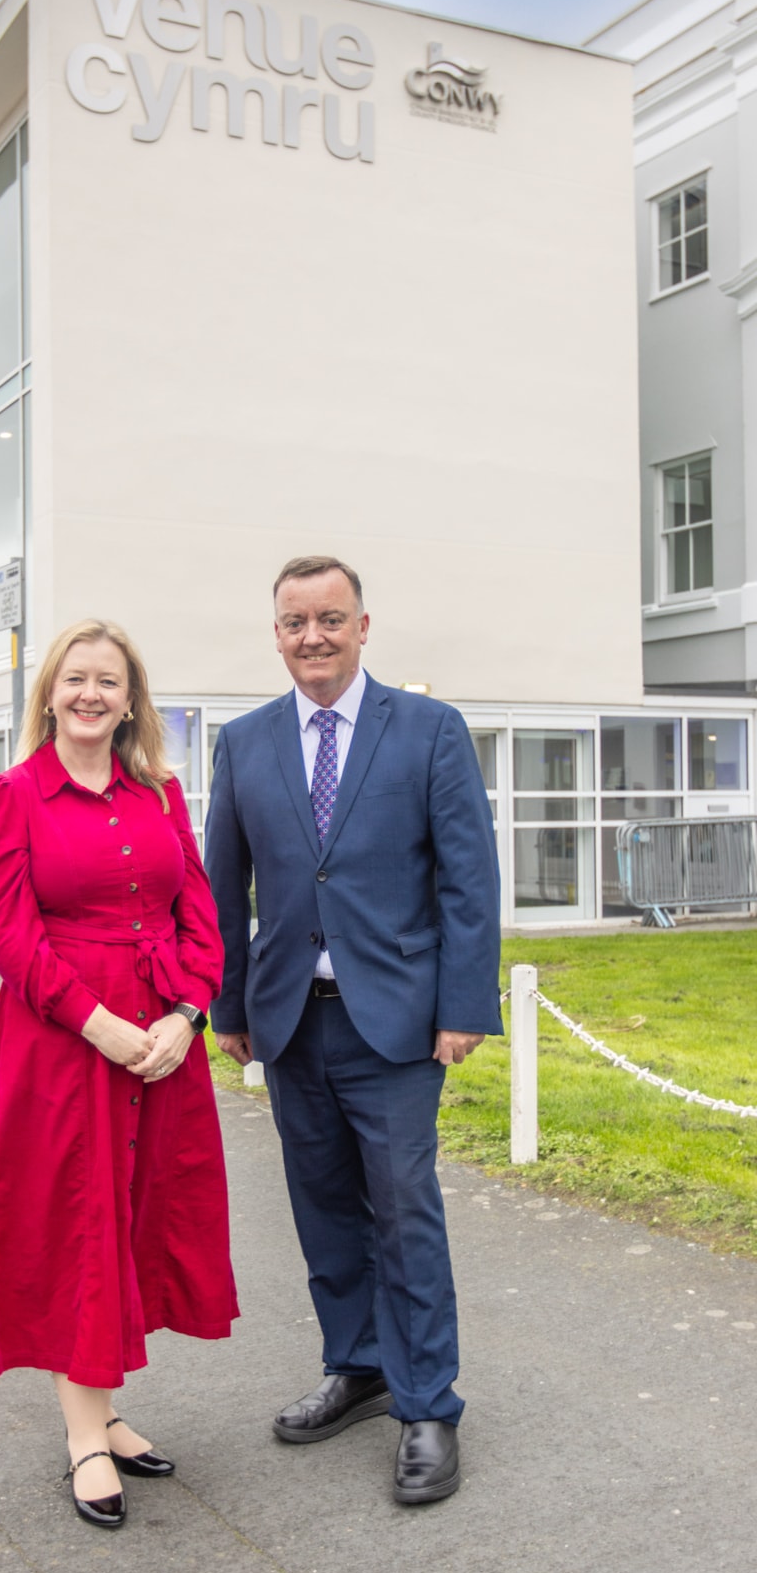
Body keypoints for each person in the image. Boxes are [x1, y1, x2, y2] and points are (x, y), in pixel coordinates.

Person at [203, 556, 501, 1505]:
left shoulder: (428, 731)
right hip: (292, 1023)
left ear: (364, 626)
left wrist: (463, 1006)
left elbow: (468, 881)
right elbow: (224, 888)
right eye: (295, 622)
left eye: (331, 618)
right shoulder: (244, 744)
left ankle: (427, 1407)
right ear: (277, 633)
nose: (313, 637)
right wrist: (232, 1004)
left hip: (399, 1028)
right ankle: (360, 1365)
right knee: (324, 1206)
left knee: (405, 1211)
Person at [0, 619, 238, 1530]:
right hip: (60, 1046)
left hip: (161, 1042)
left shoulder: (158, 794)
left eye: (108, 681)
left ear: (129, 700)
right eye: (75, 678)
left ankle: (105, 1410)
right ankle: (85, 1432)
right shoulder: (10, 795)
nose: (90, 693)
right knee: (73, 1219)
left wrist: (186, 1016)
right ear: (49, 692)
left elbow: (200, 916)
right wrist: (102, 1026)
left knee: (137, 1217)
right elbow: (7, 935)